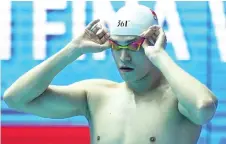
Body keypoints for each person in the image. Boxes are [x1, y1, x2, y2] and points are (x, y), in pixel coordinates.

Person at [3, 4, 218, 144]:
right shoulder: (96, 96)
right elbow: (15, 98)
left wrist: (159, 56)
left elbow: (203, 107)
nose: (124, 57)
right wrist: (73, 49)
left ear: (152, 43)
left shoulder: (178, 100)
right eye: (117, 46)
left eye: (134, 46)